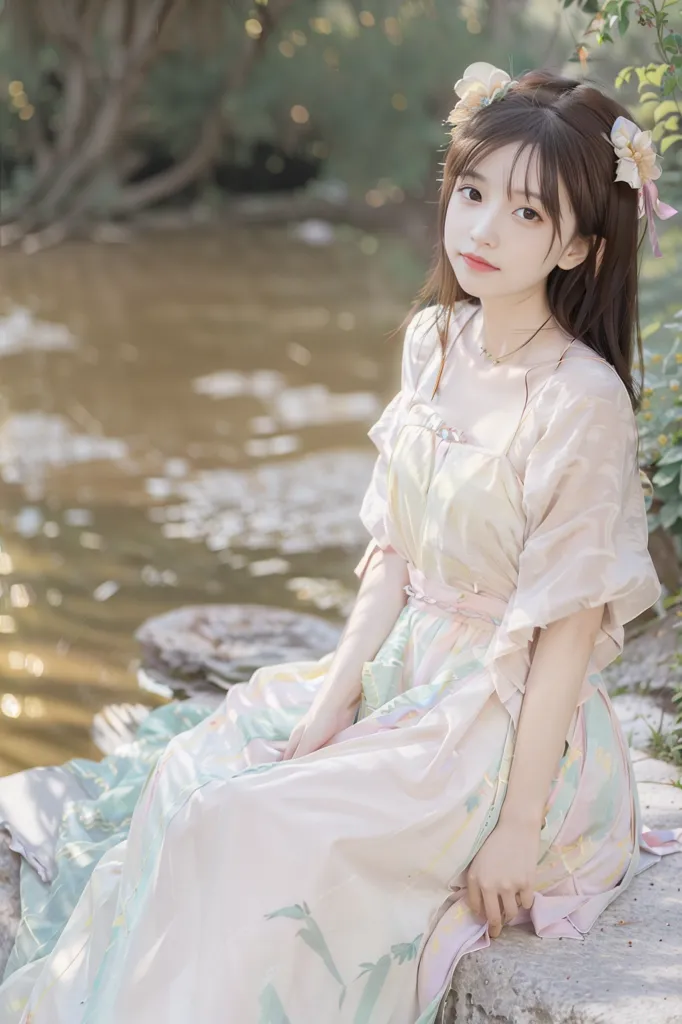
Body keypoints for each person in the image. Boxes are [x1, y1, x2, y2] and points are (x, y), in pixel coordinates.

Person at [1, 62, 681, 1024]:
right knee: (199, 777)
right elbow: (392, 555)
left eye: (525, 215)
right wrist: (332, 694)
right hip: (406, 671)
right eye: (472, 192)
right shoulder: (435, 340)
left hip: (507, 717)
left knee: (251, 825)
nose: (481, 229)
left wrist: (518, 827)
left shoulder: (583, 401)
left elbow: (566, 630)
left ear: (575, 244)